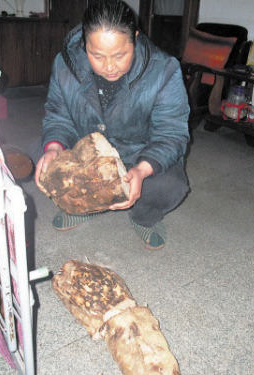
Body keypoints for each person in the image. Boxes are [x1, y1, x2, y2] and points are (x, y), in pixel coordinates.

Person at [34, 0, 190, 250]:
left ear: (135, 39)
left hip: (138, 154)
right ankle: (83, 207)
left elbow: (172, 134)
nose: (108, 67)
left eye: (120, 55)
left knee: (170, 185)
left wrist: (141, 170)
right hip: (87, 152)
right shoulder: (65, 64)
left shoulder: (164, 69)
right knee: (43, 158)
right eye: (97, 55)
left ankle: (144, 218)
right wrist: (53, 147)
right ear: (85, 44)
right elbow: (58, 115)